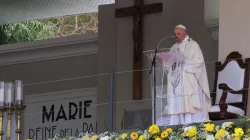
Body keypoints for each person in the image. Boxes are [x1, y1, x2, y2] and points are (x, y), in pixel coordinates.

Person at [163, 24, 211, 125]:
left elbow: (199, 62)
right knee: (178, 107)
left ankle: (192, 129)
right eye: (175, 34)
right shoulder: (174, 47)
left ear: (185, 33)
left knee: (190, 107)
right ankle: (178, 128)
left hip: (189, 81)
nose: (176, 35)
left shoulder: (193, 45)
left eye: (178, 33)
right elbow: (169, 64)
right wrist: (166, 62)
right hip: (177, 83)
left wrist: (185, 64)